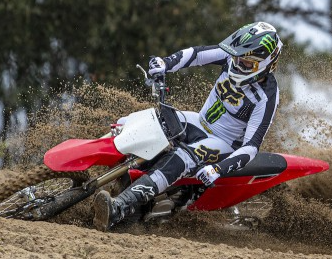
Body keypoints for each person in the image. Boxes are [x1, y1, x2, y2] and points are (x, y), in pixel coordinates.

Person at [93, 21, 283, 231]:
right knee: (135, 122)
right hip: (199, 121)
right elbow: (197, 54)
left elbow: (251, 146)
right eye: (238, 58)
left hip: (222, 142)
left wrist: (218, 169)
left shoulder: (267, 97)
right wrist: (165, 63)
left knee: (181, 159)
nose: (238, 65)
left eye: (247, 63)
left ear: (267, 62)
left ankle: (118, 207)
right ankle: (92, 167)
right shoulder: (232, 58)